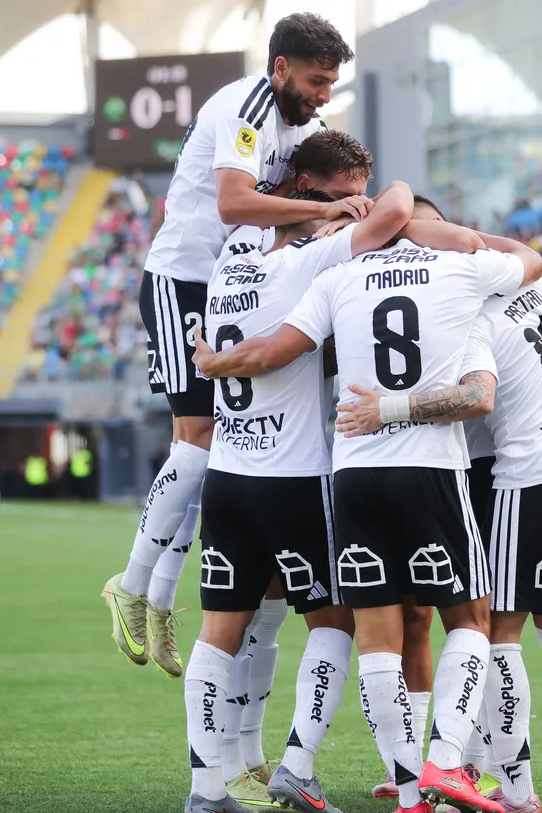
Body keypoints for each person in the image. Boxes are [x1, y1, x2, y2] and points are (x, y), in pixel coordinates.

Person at [194, 205, 542, 813]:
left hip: (354, 475)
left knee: (377, 636)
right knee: (470, 616)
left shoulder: (337, 279)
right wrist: (462, 239)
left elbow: (277, 349)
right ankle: (445, 760)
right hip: (432, 470)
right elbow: (530, 257)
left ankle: (411, 804)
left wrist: (218, 363)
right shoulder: (458, 270)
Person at [342, 203, 542, 813]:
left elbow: (475, 398)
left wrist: (383, 411)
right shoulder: (534, 283)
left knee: (495, 632)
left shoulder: (463, 308)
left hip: (527, 478)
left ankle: (513, 788)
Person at [109, 13, 364, 674]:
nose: (324, 96)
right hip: (181, 281)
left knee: (221, 453)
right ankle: (132, 586)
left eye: (331, 84)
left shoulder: (304, 127)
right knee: (196, 440)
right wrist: (322, 212)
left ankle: (160, 599)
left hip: (234, 285)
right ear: (281, 68)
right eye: (315, 81)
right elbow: (233, 202)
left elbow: (332, 180)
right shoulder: (244, 106)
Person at [177, 187, 415, 813]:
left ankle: (206, 788)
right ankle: (297, 765)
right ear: (322, 208)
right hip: (295, 480)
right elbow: (397, 207)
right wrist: (357, 204)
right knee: (335, 622)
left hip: (227, 477)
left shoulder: (231, 263)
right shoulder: (308, 262)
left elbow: (252, 219)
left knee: (218, 634)